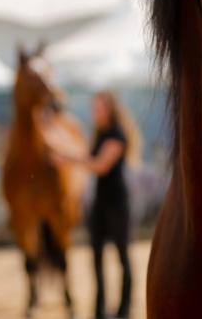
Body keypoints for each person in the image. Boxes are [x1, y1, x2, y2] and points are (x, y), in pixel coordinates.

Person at [62, 91, 141, 319]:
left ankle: (124, 310)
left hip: (118, 204)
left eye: (99, 108)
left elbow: (99, 166)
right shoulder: (100, 134)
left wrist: (69, 159)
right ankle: (99, 311)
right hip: (100, 204)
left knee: (122, 257)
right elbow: (86, 157)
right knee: (95, 258)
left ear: (111, 109)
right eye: (94, 108)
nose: (96, 113)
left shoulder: (117, 135)